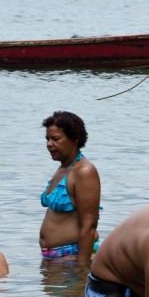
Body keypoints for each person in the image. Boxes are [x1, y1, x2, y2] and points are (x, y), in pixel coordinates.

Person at [40, 111, 101, 264]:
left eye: (55, 139)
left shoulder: (84, 172)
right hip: (57, 258)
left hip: (73, 256)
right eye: (47, 139)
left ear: (74, 139)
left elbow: (89, 225)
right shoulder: (63, 168)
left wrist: (81, 268)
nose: (49, 144)